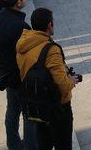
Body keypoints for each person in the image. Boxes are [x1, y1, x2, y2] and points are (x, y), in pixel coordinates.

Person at [17, 8, 79, 149]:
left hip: (36, 103)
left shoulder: (23, 43)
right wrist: (71, 81)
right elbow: (62, 84)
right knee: (63, 145)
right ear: (50, 25)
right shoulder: (51, 50)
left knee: (44, 143)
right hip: (57, 107)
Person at [0, 0, 37, 149]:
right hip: (22, 77)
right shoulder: (22, 27)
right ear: (18, 2)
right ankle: (31, 146)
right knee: (29, 114)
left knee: (12, 110)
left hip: (7, 73)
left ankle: (13, 144)